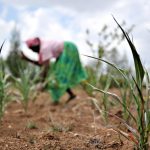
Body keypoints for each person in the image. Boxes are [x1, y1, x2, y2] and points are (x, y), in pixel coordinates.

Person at [21, 37, 87, 104]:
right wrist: (27, 59)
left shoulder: (44, 48)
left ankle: (88, 89)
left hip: (68, 49)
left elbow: (45, 67)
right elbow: (42, 64)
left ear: (36, 46)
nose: (33, 51)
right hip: (63, 52)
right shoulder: (43, 47)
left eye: (32, 49)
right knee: (57, 76)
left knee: (60, 76)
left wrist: (42, 82)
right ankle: (72, 95)